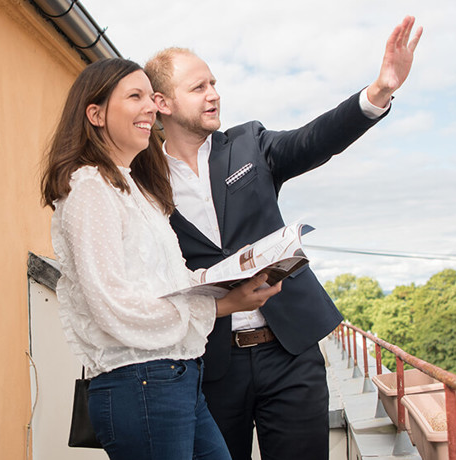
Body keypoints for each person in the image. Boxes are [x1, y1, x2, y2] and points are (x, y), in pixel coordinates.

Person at [143, 16, 422, 460]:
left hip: (289, 352)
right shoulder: (143, 179)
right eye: (199, 87)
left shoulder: (248, 144)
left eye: (214, 82)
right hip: (210, 364)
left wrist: (378, 93)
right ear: (162, 103)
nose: (214, 93)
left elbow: (313, 140)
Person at [40, 58, 283, 460]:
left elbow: (168, 281)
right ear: (96, 114)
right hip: (142, 383)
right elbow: (112, 304)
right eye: (134, 96)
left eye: (150, 97)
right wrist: (220, 305)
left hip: (176, 377)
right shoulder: (89, 189)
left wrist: (230, 275)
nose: (150, 107)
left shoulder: (136, 190)